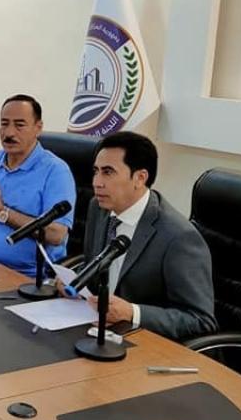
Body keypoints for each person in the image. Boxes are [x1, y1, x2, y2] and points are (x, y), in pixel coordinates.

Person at [79, 131, 217, 341]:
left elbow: (200, 320)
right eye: (95, 171)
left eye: (108, 172)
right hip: (97, 327)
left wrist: (132, 313)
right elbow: (97, 265)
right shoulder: (99, 209)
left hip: (145, 341)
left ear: (140, 178)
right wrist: (75, 281)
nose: (97, 182)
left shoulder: (179, 237)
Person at [0, 94, 76, 278]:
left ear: (38, 128)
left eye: (19, 125)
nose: (9, 133)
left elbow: (56, 235)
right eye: (4, 124)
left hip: (28, 277)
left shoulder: (56, 171)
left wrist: (2, 212)